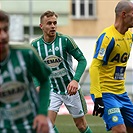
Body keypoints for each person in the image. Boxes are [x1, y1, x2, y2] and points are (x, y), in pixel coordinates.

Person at [31, 11, 93, 133]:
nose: (53, 26)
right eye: (49, 23)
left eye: (55, 23)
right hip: (52, 89)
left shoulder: (65, 41)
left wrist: (75, 80)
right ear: (41, 26)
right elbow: (33, 68)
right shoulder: (35, 45)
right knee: (47, 125)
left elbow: (82, 60)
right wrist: (37, 85)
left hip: (71, 89)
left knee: (81, 126)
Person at [0, 10, 55, 133]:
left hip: (35, 126)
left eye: (5, 30)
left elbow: (45, 80)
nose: (3, 36)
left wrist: (42, 114)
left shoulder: (26, 54)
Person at [89, 0, 133, 133]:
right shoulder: (107, 37)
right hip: (106, 94)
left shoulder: (129, 36)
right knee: (120, 130)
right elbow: (94, 66)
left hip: (122, 93)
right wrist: (98, 97)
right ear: (124, 14)